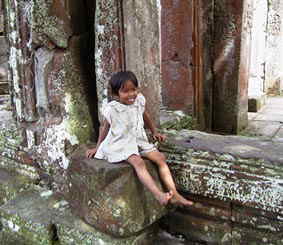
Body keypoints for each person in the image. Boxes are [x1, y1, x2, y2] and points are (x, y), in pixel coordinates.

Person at [86, 71, 193, 206]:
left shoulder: (138, 101)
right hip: (120, 143)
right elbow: (104, 128)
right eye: (125, 91)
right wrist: (97, 147)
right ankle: (158, 195)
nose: (131, 94)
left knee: (160, 158)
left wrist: (155, 132)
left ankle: (175, 194)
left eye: (134, 89)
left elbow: (145, 116)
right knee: (138, 162)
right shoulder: (112, 109)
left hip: (138, 140)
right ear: (115, 94)